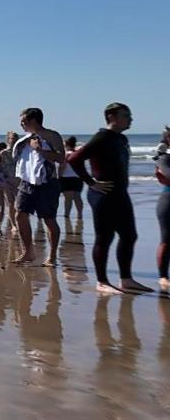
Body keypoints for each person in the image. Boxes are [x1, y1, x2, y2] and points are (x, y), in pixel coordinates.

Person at [67, 102, 152, 294]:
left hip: (120, 194)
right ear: (112, 117)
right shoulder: (102, 137)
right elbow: (74, 159)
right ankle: (102, 281)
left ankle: (126, 279)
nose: (130, 119)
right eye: (126, 115)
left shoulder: (120, 139)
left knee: (129, 236)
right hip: (103, 195)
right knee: (104, 238)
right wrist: (91, 182)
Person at [12, 108, 64, 266]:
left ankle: (52, 256)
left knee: (49, 220)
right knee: (19, 215)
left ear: (34, 120)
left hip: (47, 183)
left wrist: (39, 150)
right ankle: (28, 251)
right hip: (27, 183)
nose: (21, 124)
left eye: (24, 121)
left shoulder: (52, 135)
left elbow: (61, 158)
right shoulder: (25, 139)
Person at [155, 141, 170, 293]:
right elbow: (167, 173)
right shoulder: (164, 158)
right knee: (166, 240)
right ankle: (163, 276)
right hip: (168, 201)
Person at [59, 136, 85, 222]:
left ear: (66, 145)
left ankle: (67, 215)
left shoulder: (66, 154)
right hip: (78, 178)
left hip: (67, 178)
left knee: (68, 199)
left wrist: (59, 175)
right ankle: (80, 214)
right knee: (78, 197)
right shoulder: (78, 153)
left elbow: (63, 166)